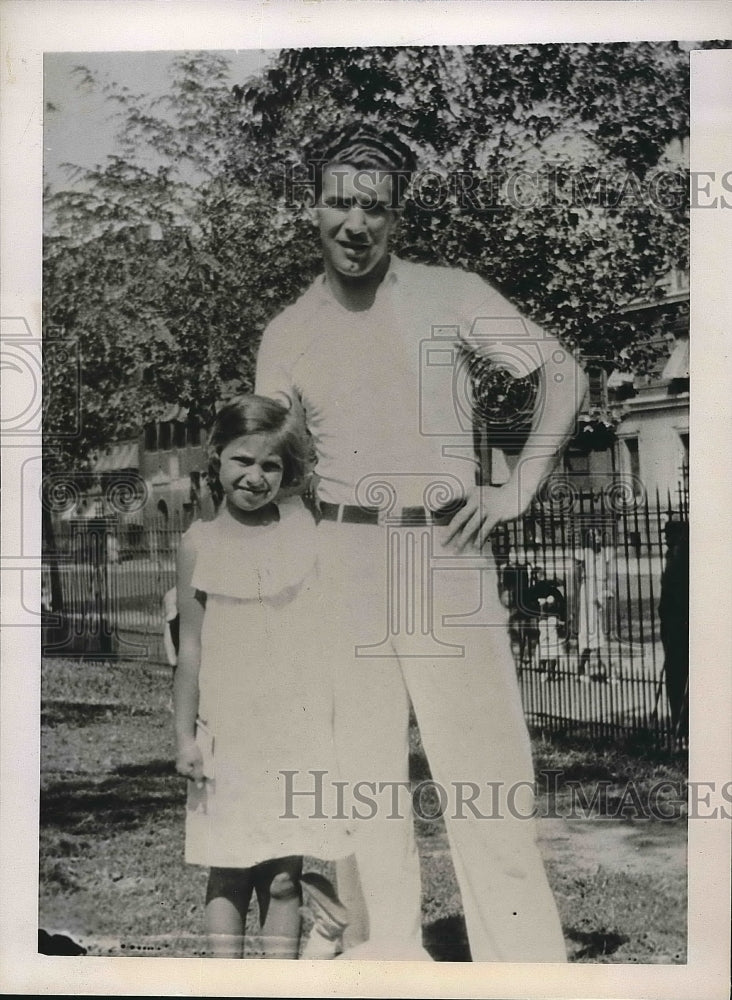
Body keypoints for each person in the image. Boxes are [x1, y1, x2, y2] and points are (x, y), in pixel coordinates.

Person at [255, 124, 588, 962]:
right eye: (339, 202)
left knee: (485, 776)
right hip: (342, 562)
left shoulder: (449, 294)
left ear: (397, 216)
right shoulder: (286, 333)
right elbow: (269, 468)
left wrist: (515, 488)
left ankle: (525, 970)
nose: (355, 223)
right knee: (364, 784)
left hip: (443, 557)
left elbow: (562, 374)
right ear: (313, 208)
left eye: (374, 206)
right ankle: (383, 964)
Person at [173, 394, 353, 959]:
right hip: (227, 729)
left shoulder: (304, 529)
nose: (255, 476)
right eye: (242, 460)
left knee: (282, 875)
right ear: (216, 457)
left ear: (289, 473)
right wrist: (184, 737)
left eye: (271, 466)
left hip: (294, 729)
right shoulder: (199, 544)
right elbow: (191, 649)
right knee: (228, 872)